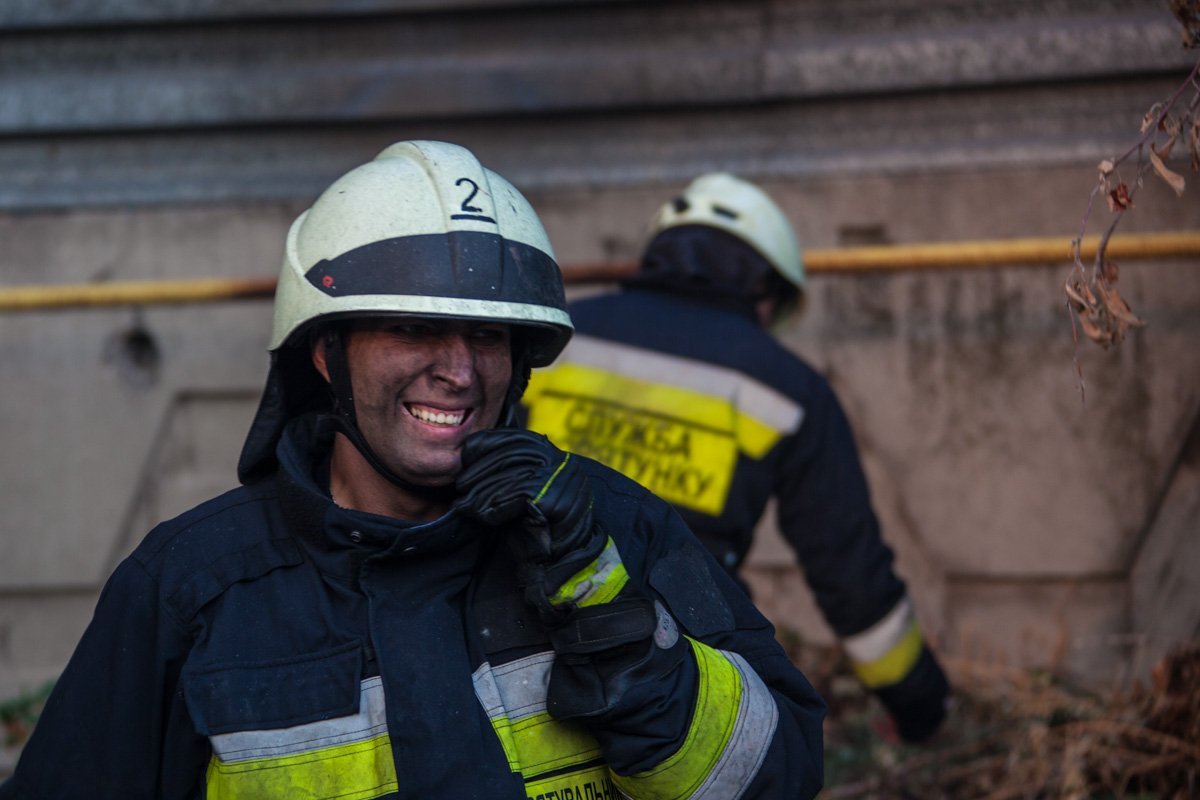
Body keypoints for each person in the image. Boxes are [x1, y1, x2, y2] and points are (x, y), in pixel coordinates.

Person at [0, 142, 826, 799]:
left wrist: (619, 632)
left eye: (488, 336)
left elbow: (776, 774)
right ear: (325, 353)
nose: (459, 372)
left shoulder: (613, 529)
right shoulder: (193, 589)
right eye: (412, 328)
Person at [520, 172, 951, 743]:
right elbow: (849, 573)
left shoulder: (560, 335)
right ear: (767, 289)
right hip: (672, 668)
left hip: (517, 635)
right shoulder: (789, 388)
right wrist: (919, 704)